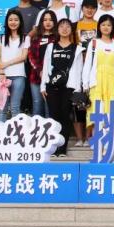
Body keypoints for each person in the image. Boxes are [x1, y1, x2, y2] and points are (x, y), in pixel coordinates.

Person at [40, 18, 83, 156]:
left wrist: (77, 90)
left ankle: (62, 148)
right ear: (57, 30)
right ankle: (53, 147)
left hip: (69, 87)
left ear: (71, 30)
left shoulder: (77, 48)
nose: (64, 29)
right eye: (61, 26)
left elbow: (79, 70)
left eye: (67, 26)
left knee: (65, 115)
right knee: (53, 116)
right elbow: (46, 66)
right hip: (52, 86)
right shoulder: (51, 47)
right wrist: (43, 86)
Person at [82, 15, 114, 139]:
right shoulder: (94, 43)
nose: (106, 27)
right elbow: (87, 65)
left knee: (110, 113)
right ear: (99, 27)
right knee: (96, 113)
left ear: (113, 27)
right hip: (96, 83)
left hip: (112, 84)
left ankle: (108, 142)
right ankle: (97, 142)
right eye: (103, 24)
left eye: (109, 25)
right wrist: (85, 84)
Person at [0, 9, 30, 121]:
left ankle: (16, 131)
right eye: (10, 20)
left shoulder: (25, 38)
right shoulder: (0, 38)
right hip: (2, 76)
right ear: (7, 22)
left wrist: (6, 63)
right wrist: (2, 72)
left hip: (19, 76)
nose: (13, 22)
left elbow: (23, 57)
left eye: (16, 20)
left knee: (15, 107)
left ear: (20, 22)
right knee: (2, 108)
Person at [27, 9, 57, 117]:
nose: (48, 22)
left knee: (49, 105)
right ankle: (36, 127)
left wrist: (47, 72)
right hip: (36, 76)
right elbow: (31, 56)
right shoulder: (36, 38)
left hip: (51, 77)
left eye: (50, 20)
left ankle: (49, 128)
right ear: (41, 22)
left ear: (54, 22)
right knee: (37, 104)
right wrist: (40, 70)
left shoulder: (57, 38)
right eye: (45, 20)